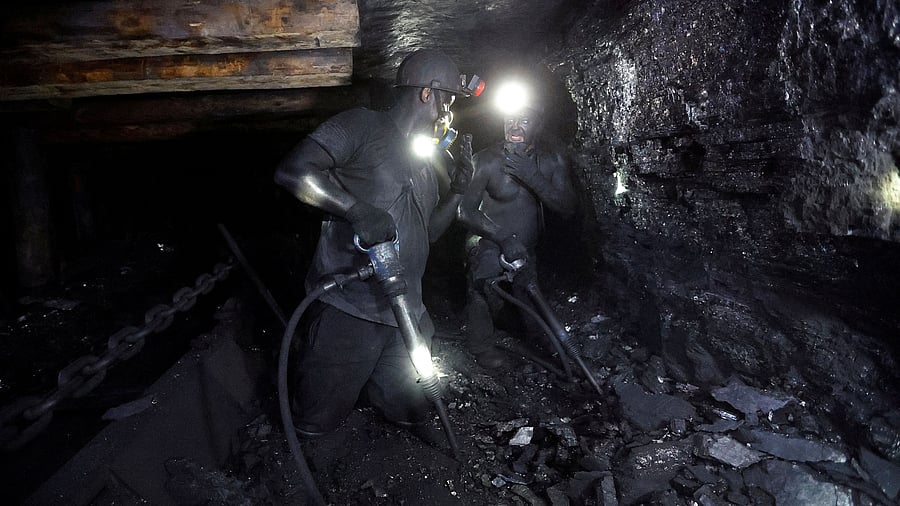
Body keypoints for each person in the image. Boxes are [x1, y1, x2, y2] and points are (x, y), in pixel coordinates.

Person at [273, 49, 475, 437]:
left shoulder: (428, 156)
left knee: (411, 411)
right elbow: (293, 171)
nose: (450, 108)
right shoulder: (361, 126)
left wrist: (458, 191)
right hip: (350, 309)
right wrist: (355, 209)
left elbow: (427, 234)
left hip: (408, 314)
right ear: (427, 93)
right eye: (448, 97)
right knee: (315, 424)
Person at [457, 80, 577, 369]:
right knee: (484, 285)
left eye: (524, 119)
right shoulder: (485, 160)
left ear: (539, 122)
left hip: (526, 251)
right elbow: (465, 211)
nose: (515, 125)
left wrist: (531, 175)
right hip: (487, 243)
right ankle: (481, 346)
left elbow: (568, 209)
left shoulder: (552, 160)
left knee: (528, 302)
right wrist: (502, 237)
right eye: (510, 118)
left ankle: (534, 340)